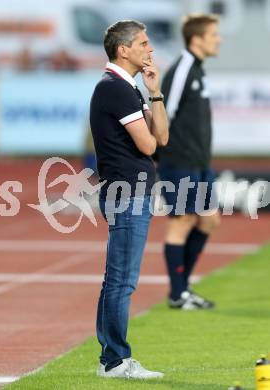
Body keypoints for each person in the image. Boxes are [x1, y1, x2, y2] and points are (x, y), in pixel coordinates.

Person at [90, 20, 168, 379]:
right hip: (126, 193)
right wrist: (148, 101)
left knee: (118, 280)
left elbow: (163, 137)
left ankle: (112, 357)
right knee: (122, 281)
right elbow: (149, 145)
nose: (149, 49)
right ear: (124, 50)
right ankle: (114, 361)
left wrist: (155, 91)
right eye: (143, 43)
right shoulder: (115, 89)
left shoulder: (129, 87)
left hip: (132, 191)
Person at [157, 14, 222, 310]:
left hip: (199, 162)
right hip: (179, 161)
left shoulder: (197, 69)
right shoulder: (183, 67)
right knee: (182, 221)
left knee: (209, 220)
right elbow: (164, 112)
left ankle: (182, 288)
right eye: (213, 34)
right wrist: (159, 151)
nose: (218, 39)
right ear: (196, 39)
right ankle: (178, 293)